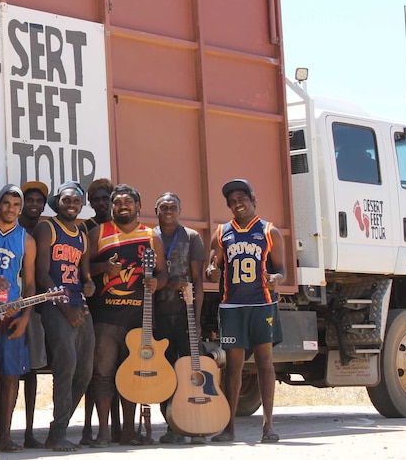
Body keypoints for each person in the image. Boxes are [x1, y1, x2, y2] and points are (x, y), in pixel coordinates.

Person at [87, 184, 166, 447]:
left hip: (137, 319)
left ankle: (130, 431)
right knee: (103, 374)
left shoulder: (151, 236)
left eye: (128, 202)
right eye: (118, 202)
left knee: (131, 375)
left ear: (138, 206)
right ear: (112, 207)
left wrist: (158, 283)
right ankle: (104, 432)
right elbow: (84, 268)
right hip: (105, 318)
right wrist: (103, 268)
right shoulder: (99, 233)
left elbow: (163, 273)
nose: (123, 206)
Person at [206, 179, 285, 444]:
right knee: (233, 368)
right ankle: (229, 428)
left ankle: (268, 426)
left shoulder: (269, 231)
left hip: (262, 304)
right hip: (232, 307)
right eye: (232, 201)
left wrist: (276, 279)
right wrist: (212, 271)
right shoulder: (222, 232)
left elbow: (282, 270)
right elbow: (211, 265)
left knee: (265, 364)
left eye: (242, 199)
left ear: (253, 200)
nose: (237, 204)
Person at [34, 181, 95, 452]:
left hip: (79, 304)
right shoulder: (47, 228)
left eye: (76, 201)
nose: (71, 205)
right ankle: (58, 433)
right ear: (58, 201)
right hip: (55, 305)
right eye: (67, 200)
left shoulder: (82, 232)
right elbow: (42, 274)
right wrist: (64, 307)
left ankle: (59, 428)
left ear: (82, 205)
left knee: (85, 370)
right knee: (66, 365)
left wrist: (90, 283)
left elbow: (84, 272)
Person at [0, 184, 36, 453]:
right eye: (6, 203)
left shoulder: (26, 239)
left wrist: (25, 316)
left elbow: (32, 285)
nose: (10, 209)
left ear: (20, 209)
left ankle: (4, 436)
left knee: (10, 376)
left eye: (16, 205)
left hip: (12, 314)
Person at [152, 192, 206, 444]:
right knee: (164, 373)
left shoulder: (192, 237)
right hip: (158, 315)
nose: (169, 210)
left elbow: (198, 281)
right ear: (156, 211)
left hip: (184, 315)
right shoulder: (150, 237)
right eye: (164, 207)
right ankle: (172, 425)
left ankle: (197, 423)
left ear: (180, 209)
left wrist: (195, 318)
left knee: (189, 370)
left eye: (173, 206)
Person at [77, 176, 115, 445]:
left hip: (120, 304)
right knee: (94, 369)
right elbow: (82, 266)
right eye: (97, 199)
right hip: (95, 304)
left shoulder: (121, 227)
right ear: (90, 203)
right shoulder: (85, 228)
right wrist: (102, 269)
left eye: (105, 198)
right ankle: (88, 427)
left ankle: (119, 427)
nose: (101, 203)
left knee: (115, 368)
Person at [18, 180, 50, 449]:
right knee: (4, 372)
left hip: (35, 309)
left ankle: (29, 431)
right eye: (30, 199)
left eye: (39, 201)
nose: (34, 205)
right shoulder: (11, 228)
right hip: (5, 307)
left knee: (31, 371)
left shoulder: (44, 231)